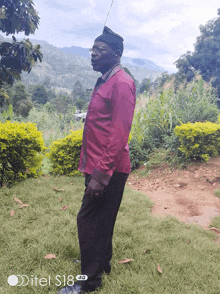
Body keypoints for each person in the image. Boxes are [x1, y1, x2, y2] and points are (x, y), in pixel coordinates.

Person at [57, 26, 136, 294]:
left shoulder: (122, 84)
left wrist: (100, 176)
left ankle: (89, 282)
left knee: (88, 220)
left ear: (116, 54)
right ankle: (101, 263)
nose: (93, 54)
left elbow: (118, 133)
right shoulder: (105, 78)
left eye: (99, 50)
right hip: (97, 164)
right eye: (92, 49)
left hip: (108, 169)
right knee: (103, 219)